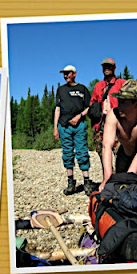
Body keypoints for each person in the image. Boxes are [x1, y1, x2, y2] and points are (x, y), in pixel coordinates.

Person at [100, 79, 137, 192]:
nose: (120, 105)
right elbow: (106, 146)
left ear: (136, 104)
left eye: (124, 102)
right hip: (124, 151)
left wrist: (127, 179)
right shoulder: (113, 115)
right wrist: (107, 178)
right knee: (118, 189)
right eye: (119, 101)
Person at [53, 64, 94, 196]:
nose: (65, 76)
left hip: (79, 125)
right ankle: (71, 183)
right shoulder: (61, 90)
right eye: (64, 74)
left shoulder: (82, 89)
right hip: (64, 126)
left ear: (74, 73)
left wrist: (79, 116)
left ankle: (87, 182)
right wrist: (55, 128)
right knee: (67, 154)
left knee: (82, 152)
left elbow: (89, 107)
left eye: (68, 73)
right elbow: (57, 109)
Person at [88, 57, 125, 149]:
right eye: (104, 66)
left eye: (109, 66)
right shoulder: (98, 86)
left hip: (118, 122)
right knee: (101, 150)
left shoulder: (121, 83)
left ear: (114, 68)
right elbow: (92, 104)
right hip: (101, 123)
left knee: (120, 151)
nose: (106, 68)